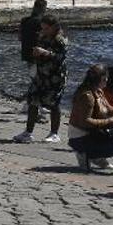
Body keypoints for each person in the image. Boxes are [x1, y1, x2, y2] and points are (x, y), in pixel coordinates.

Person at [14, 14, 68, 143]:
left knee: (54, 103)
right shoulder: (43, 38)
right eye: (42, 28)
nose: (43, 31)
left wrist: (45, 53)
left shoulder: (60, 40)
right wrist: (36, 53)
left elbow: (60, 57)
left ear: (54, 27)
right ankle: (28, 132)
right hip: (41, 75)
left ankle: (54, 133)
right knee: (33, 100)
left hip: (55, 76)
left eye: (46, 28)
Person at [67, 64, 113, 171]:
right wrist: (107, 122)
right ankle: (85, 154)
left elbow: (109, 109)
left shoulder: (98, 90)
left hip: (91, 131)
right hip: (80, 136)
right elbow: (85, 121)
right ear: (100, 78)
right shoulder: (87, 96)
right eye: (105, 78)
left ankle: (96, 156)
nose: (107, 80)